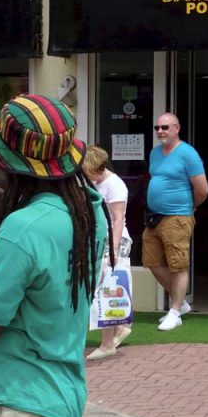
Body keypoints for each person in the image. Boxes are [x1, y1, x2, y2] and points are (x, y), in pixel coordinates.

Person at [0, 94, 109, 417]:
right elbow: (37, 218)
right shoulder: (89, 212)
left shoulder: (20, 230)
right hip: (57, 402)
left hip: (17, 409)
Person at [145, 113, 208, 332]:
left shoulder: (188, 153)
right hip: (154, 217)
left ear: (177, 128)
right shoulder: (155, 153)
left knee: (177, 265)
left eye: (165, 127)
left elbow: (202, 189)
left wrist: (191, 207)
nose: (160, 131)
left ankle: (174, 311)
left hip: (178, 217)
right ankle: (180, 303)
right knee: (151, 262)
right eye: (157, 127)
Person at [83, 146, 133, 360]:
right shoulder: (98, 182)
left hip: (113, 239)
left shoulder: (114, 185)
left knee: (106, 288)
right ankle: (120, 327)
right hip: (100, 238)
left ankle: (107, 342)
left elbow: (118, 218)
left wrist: (112, 248)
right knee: (106, 286)